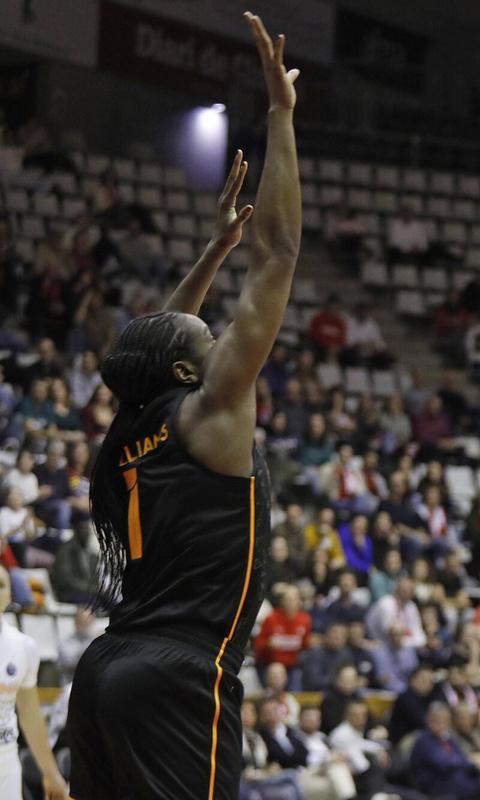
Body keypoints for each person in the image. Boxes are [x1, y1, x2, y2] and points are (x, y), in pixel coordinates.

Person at [66, 15, 301, 798]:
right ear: (185, 365)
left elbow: (155, 347)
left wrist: (210, 253)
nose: (215, 327)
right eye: (204, 333)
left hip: (108, 671)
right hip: (177, 677)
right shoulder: (208, 411)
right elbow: (280, 254)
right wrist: (279, 116)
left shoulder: (140, 426)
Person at [0, 567, 68, 799]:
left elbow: (30, 713)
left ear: (10, 595)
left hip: (6, 765)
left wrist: (50, 773)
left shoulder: (23, 647)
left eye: (0, 585)